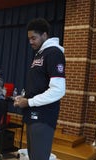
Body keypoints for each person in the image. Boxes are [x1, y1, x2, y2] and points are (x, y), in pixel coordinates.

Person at [14, 18, 66, 160]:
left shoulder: (54, 53)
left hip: (43, 117)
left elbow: (58, 90)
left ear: (44, 35)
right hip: (32, 115)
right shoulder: (40, 54)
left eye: (34, 38)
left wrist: (29, 102)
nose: (30, 42)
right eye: (29, 38)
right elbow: (38, 85)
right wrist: (24, 98)